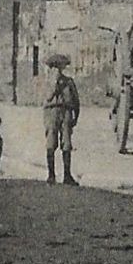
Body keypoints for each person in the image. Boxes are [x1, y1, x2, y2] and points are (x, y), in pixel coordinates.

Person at [42, 53, 80, 185]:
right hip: (51, 112)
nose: (57, 70)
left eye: (60, 67)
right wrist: (55, 83)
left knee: (67, 143)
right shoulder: (47, 82)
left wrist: (76, 116)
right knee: (51, 143)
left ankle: (67, 175)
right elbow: (47, 97)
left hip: (66, 112)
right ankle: (51, 175)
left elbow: (76, 100)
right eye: (55, 67)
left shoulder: (69, 81)